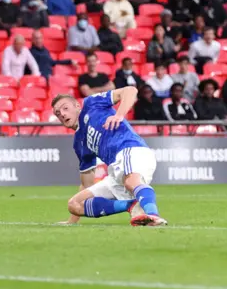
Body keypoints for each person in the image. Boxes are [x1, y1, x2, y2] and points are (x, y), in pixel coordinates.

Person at [51, 87, 168, 226]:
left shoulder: (91, 103)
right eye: (58, 113)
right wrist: (72, 221)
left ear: (77, 105)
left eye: (65, 108)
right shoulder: (79, 142)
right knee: (75, 204)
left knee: (131, 182)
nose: (62, 114)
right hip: (116, 170)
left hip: (131, 150)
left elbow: (130, 90)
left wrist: (119, 115)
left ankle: (153, 215)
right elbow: (86, 182)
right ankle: (131, 206)